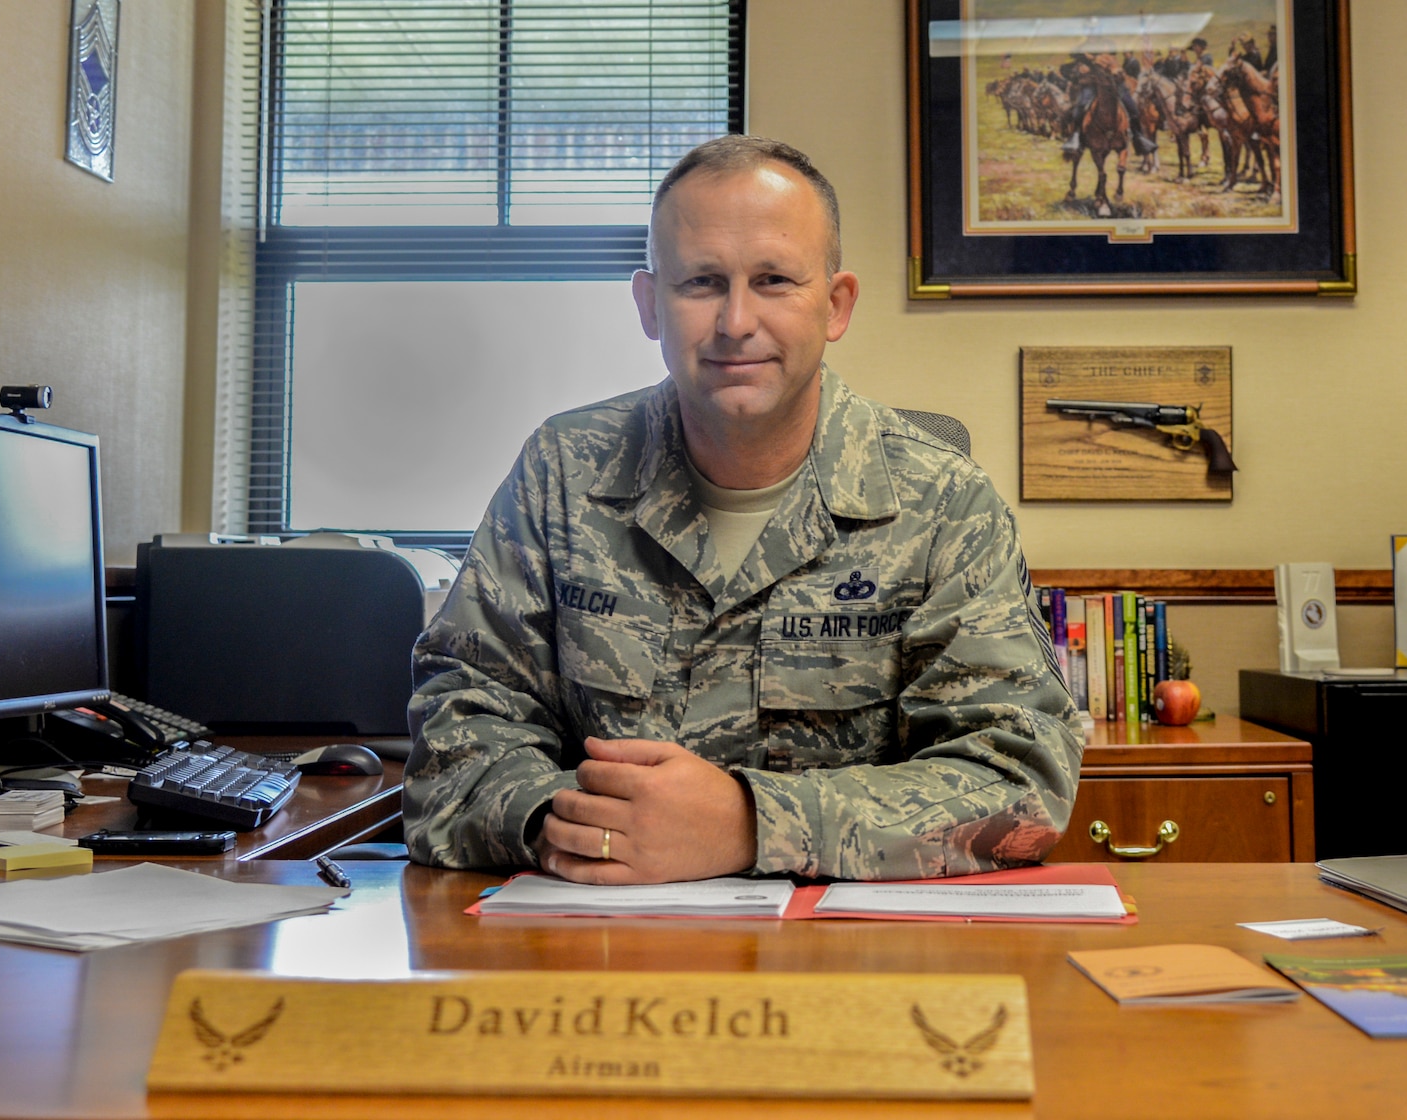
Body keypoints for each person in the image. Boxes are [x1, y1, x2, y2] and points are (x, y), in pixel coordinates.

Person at [402, 136, 1081, 885]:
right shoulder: (561, 474)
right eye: (701, 282)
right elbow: (459, 726)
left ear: (835, 305)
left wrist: (749, 825)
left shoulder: (946, 503)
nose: (735, 320)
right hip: (598, 926)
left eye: (773, 280)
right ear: (649, 305)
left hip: (844, 945)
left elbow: (1018, 779)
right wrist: (580, 826)